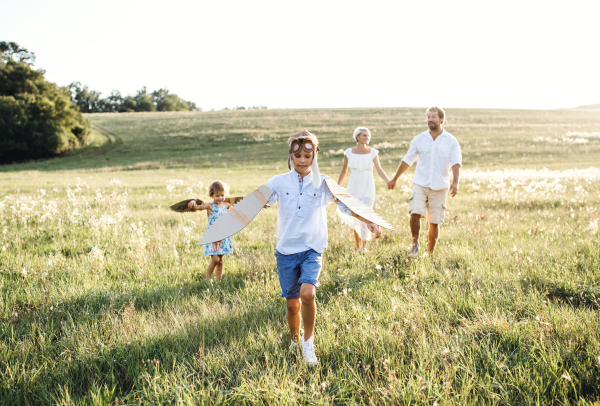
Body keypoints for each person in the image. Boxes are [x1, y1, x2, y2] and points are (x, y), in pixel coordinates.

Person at [265, 130, 382, 366]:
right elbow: (256, 202)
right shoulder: (278, 182)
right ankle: (294, 340)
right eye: (297, 155)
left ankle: (309, 344)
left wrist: (369, 220)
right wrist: (222, 207)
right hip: (286, 251)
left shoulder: (324, 182)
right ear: (290, 155)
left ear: (314, 156)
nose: (302, 160)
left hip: (312, 248)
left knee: (308, 294)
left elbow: (347, 205)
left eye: (307, 156)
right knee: (292, 305)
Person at [387, 107, 462, 257]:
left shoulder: (451, 141)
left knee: (434, 221)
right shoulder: (419, 139)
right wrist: (395, 178)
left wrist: (455, 182)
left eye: (433, 117)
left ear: (441, 119)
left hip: (440, 186)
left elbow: (455, 162)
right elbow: (408, 160)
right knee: (415, 212)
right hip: (420, 183)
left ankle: (430, 253)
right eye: (428, 117)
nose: (430, 120)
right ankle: (415, 245)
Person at [337, 127, 390, 253]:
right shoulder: (348, 153)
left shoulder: (373, 153)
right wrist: (337, 187)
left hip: (368, 186)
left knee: (366, 214)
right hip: (353, 186)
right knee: (356, 216)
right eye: (364, 135)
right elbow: (344, 171)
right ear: (357, 137)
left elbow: (379, 170)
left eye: (368, 135)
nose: (367, 138)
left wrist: (388, 181)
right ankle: (358, 245)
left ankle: (364, 247)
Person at [187, 181, 233, 279]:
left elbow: (236, 210)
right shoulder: (210, 206)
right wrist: (193, 203)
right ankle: (208, 279)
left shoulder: (226, 205)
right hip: (213, 237)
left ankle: (219, 280)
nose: (220, 198)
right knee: (215, 259)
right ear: (211, 195)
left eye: (222, 195)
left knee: (221, 260)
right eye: (217, 196)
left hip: (223, 236)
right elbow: (198, 207)